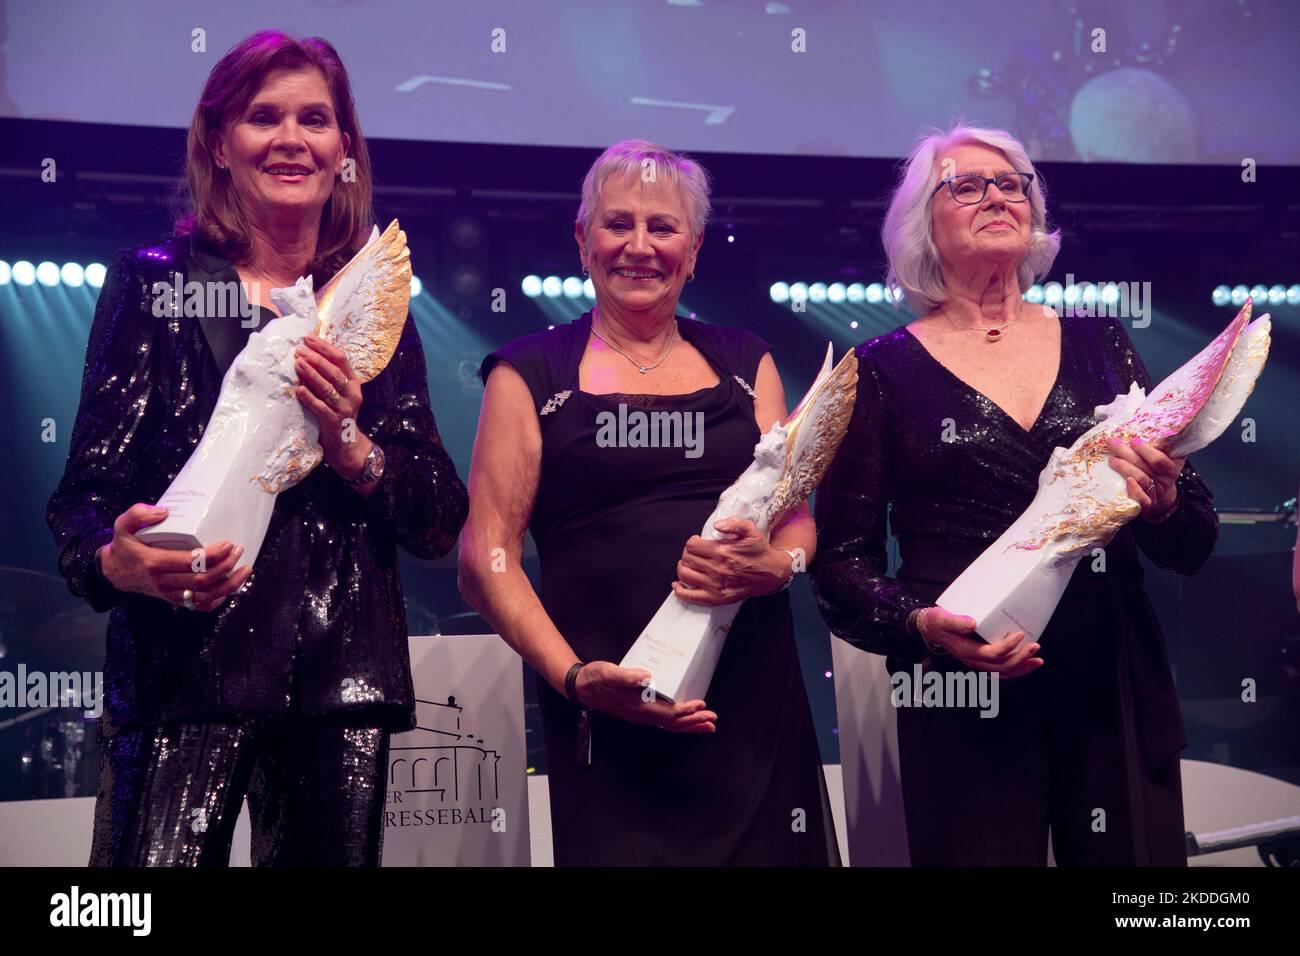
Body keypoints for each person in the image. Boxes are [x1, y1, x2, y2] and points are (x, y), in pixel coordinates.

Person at [45, 30, 467, 867]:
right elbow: (84, 499)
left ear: (344, 149)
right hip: (183, 670)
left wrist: (349, 446)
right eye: (262, 117)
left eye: (316, 119)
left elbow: (434, 514)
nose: (290, 139)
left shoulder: (371, 299)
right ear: (218, 140)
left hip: (340, 680)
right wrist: (117, 562)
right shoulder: (154, 279)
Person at [810, 125, 1218, 866]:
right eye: (966, 184)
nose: (996, 195)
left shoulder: (1103, 341)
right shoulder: (878, 371)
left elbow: (1190, 540)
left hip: (1110, 678)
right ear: (922, 225)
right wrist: (922, 625)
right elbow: (839, 562)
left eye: (1012, 183)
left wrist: (1162, 502)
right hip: (966, 686)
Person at [459, 140, 839, 866]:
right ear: (582, 239)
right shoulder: (529, 372)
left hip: (751, 712)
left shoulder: (744, 360)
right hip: (608, 707)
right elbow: (485, 557)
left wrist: (777, 565)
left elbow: (795, 518)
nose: (639, 247)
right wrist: (575, 679)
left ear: (693, 249)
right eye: (617, 224)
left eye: (662, 228)